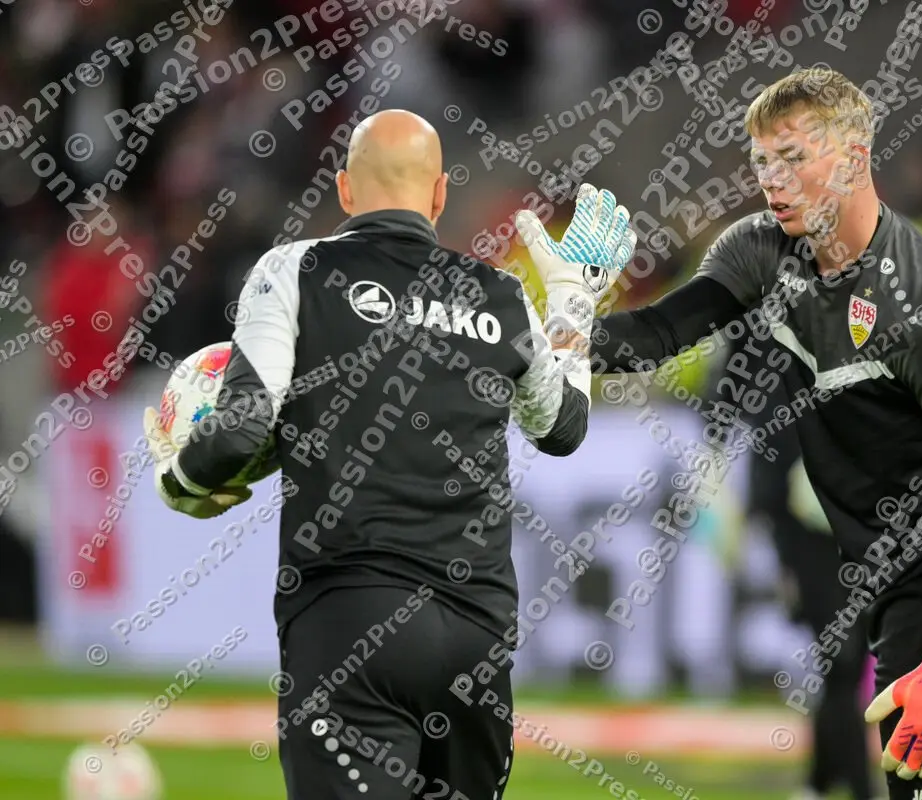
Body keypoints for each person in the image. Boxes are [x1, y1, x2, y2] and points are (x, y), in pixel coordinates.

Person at [590, 68, 922, 800]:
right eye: (760, 162)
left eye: (792, 158)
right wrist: (557, 326)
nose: (770, 181)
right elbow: (655, 336)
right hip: (891, 570)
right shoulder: (759, 250)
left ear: (852, 157)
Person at [143, 109, 635, 800]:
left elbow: (243, 428)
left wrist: (179, 481)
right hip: (477, 638)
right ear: (438, 197)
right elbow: (563, 429)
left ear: (345, 191)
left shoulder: (296, 269)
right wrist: (573, 306)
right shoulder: (500, 297)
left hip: (351, 624)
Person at [706, 329, 874, 800]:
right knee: (841, 656)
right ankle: (859, 790)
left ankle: (817, 783)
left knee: (847, 656)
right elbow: (723, 403)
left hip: (858, 511)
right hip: (800, 518)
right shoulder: (760, 311)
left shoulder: (857, 300)